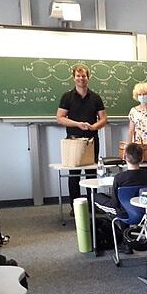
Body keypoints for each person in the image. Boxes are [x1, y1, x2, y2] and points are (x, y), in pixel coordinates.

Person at [56, 64, 108, 211]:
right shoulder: (67, 97)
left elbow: (103, 118)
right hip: (73, 141)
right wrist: (77, 124)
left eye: (83, 76)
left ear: (88, 78)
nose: (81, 78)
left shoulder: (95, 97)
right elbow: (60, 118)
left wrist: (94, 126)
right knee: (74, 175)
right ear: (74, 78)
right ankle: (75, 207)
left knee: (91, 174)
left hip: (91, 141)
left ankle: (92, 204)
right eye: (78, 76)